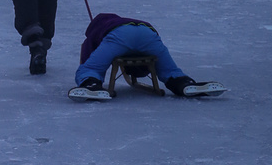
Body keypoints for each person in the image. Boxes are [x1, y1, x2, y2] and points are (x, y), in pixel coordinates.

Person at [68, 12, 226, 100]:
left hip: (120, 35)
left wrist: (88, 73)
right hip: (147, 33)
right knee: (170, 69)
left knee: (91, 68)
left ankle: (90, 85)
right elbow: (144, 66)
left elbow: (88, 55)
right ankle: (184, 83)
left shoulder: (96, 28)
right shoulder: (120, 20)